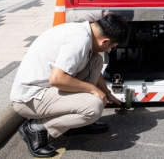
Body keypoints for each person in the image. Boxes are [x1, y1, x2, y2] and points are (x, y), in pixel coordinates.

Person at [10, 13, 129, 157]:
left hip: (43, 90)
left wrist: (108, 94)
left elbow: (92, 71)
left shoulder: (83, 30)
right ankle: (37, 127)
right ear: (105, 41)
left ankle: (74, 124)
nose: (110, 50)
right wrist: (93, 90)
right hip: (29, 98)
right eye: (112, 47)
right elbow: (57, 79)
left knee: (95, 60)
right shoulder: (79, 41)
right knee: (93, 106)